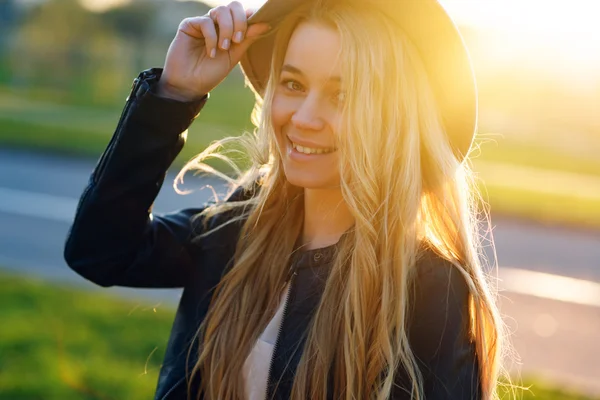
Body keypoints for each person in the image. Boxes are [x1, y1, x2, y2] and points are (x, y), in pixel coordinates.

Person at [64, 0, 511, 399]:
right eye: (294, 85)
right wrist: (175, 95)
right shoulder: (238, 231)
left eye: (343, 95)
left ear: (395, 117)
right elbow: (100, 252)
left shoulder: (431, 289)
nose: (304, 117)